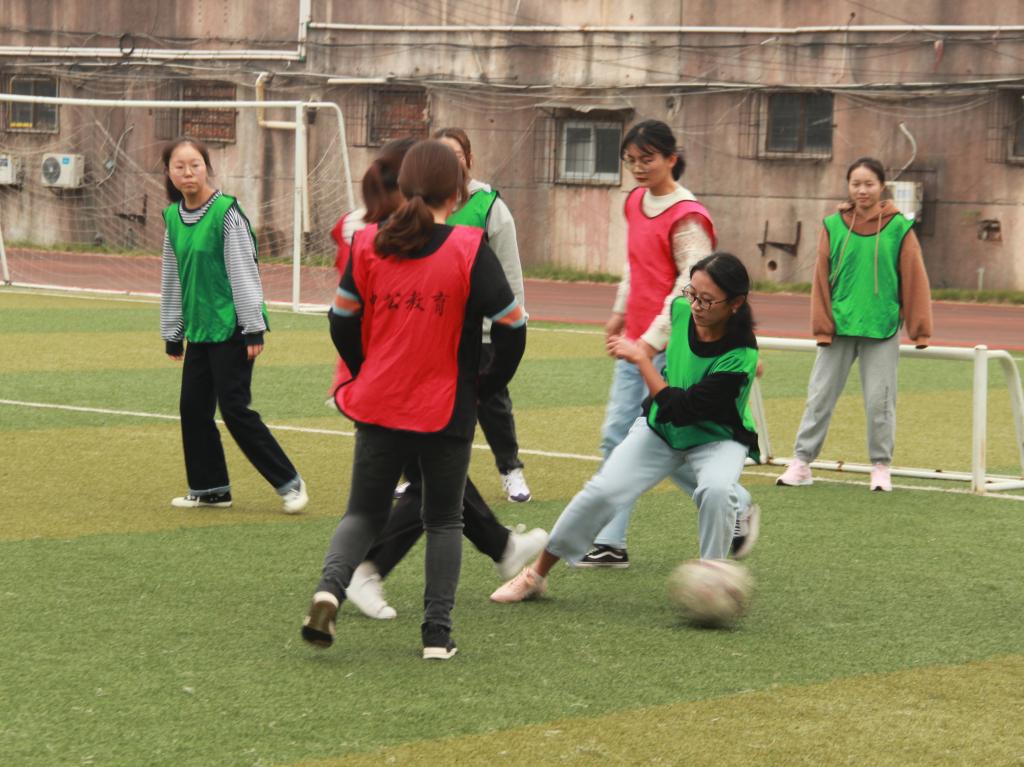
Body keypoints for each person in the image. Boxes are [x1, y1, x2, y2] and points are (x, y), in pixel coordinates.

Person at [301, 140, 527, 660]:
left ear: (403, 188)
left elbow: (341, 320)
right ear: (459, 192)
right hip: (446, 408)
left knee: (362, 514)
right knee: (443, 519)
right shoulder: (469, 247)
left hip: (379, 402)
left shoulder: (367, 244)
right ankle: (436, 636)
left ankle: (329, 591)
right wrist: (487, 383)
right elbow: (513, 327)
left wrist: (365, 368)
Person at [490, 253, 760, 605]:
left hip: (718, 437)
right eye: (692, 293)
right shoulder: (680, 309)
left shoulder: (741, 355)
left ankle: (714, 581)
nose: (695, 305)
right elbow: (670, 406)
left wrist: (640, 358)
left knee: (717, 490)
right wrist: (635, 337)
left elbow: (682, 408)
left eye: (707, 300)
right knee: (602, 492)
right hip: (662, 429)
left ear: (736, 303)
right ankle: (535, 576)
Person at [581, 119, 756, 569]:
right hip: (637, 341)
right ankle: (611, 541)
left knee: (661, 439)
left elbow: (689, 286)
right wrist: (621, 311)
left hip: (672, 347)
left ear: (671, 159)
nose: (638, 168)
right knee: (627, 437)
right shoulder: (635, 201)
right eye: (630, 160)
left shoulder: (687, 216)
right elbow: (634, 263)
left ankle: (732, 502)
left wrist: (650, 341)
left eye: (647, 159)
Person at [159, 137, 308, 514]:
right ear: (169, 173)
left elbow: (244, 272)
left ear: (207, 167)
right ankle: (210, 489)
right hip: (200, 331)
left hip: (232, 329)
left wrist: (252, 327)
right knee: (193, 408)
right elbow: (173, 277)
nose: (188, 172)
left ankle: (290, 483)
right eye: (180, 166)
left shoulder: (226, 213)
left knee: (235, 409)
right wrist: (173, 331)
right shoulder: (173, 217)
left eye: (195, 164)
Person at [776, 157, 932, 492]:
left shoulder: (899, 228)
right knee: (819, 397)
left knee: (880, 401)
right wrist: (822, 324)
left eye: (869, 184)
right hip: (838, 328)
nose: (862, 190)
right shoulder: (833, 226)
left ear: (882, 186)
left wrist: (919, 329)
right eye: (856, 184)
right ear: (848, 186)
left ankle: (880, 466)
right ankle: (801, 463)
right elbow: (820, 279)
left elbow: (914, 278)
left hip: (881, 328)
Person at [433, 127, 531, 503]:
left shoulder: (489, 207)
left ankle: (511, 469)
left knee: (491, 402)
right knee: (431, 401)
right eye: (441, 155)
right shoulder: (424, 205)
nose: (449, 162)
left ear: (469, 160)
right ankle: (422, 473)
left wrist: (512, 319)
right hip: (436, 328)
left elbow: (509, 270)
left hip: (484, 329)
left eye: (456, 155)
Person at [326, 138, 414, 402]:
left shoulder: (349, 224)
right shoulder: (416, 232)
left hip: (365, 357)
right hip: (397, 358)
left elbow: (342, 314)